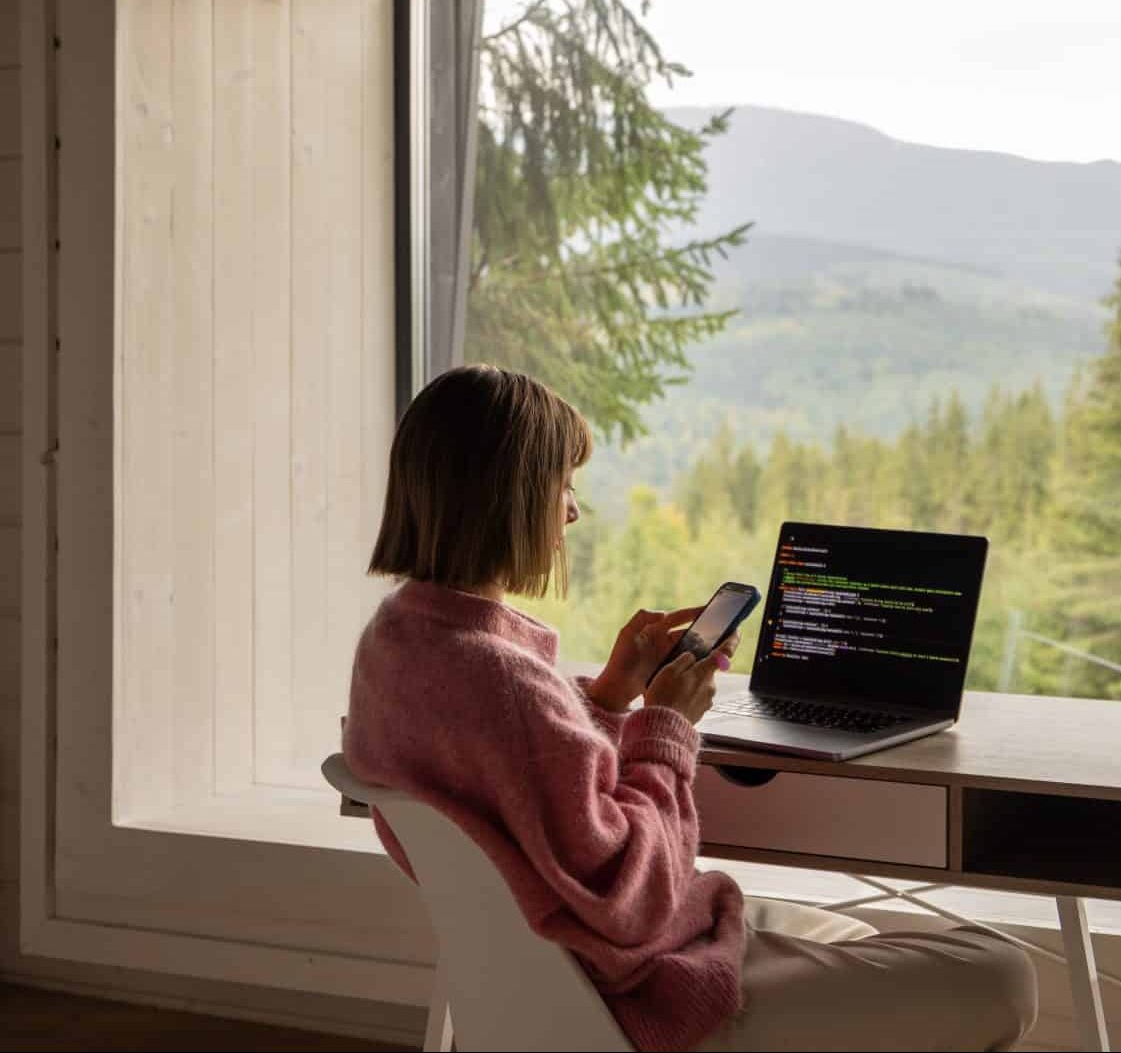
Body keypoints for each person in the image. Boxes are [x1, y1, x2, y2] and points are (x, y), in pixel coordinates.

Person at [343, 364, 1037, 1051]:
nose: (573, 510)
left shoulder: (397, 646)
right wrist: (667, 727)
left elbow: (532, 795)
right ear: (509, 497)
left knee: (868, 939)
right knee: (1006, 973)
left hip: (555, 983)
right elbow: (635, 903)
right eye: (563, 484)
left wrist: (613, 696)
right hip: (653, 1000)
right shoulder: (502, 684)